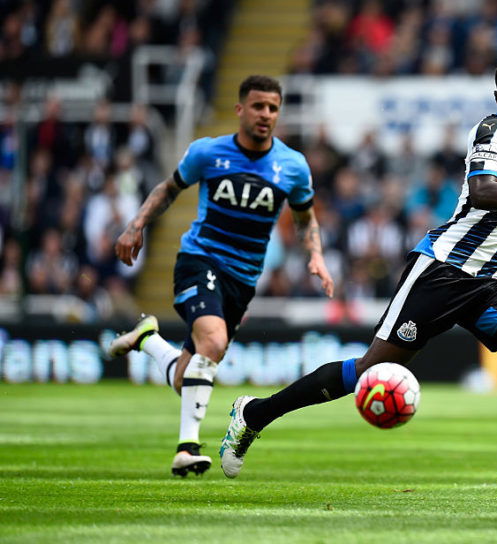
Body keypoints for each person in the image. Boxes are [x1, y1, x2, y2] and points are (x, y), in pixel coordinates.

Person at [219, 57, 497, 503]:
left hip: (493, 282)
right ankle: (254, 414)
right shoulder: (491, 133)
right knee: (372, 369)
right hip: (444, 272)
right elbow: (483, 191)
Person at [107, 75, 334, 477]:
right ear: (240, 109)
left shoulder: (292, 166)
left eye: (273, 108)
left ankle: (148, 340)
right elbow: (168, 189)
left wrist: (315, 255)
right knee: (213, 340)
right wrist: (136, 224)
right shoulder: (208, 153)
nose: (266, 115)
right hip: (200, 259)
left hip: (243, 280)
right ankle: (186, 448)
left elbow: (304, 217)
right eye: (259, 106)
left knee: (188, 376)